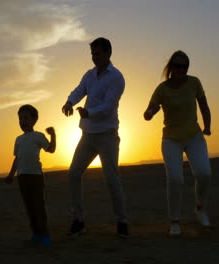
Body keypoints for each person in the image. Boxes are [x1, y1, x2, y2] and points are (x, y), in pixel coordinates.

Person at [61, 37, 129, 238]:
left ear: (108, 53)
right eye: (92, 53)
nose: (94, 57)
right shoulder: (89, 75)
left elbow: (109, 105)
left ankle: (122, 221)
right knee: (73, 174)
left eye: (97, 53)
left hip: (107, 135)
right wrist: (69, 102)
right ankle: (78, 220)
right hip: (88, 135)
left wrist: (89, 113)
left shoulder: (116, 78)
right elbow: (79, 90)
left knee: (112, 179)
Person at [143, 50, 212, 236]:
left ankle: (200, 208)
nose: (181, 70)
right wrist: (151, 112)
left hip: (194, 136)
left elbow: (204, 106)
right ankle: (174, 221)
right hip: (171, 140)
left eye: (185, 66)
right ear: (171, 67)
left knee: (204, 173)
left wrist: (207, 126)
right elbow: (147, 114)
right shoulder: (162, 89)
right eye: (177, 66)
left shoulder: (194, 82)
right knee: (175, 179)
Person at [4, 104, 56, 246]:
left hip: (36, 177)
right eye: (20, 119)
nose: (23, 121)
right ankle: (36, 234)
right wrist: (10, 175)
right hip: (22, 177)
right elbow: (17, 158)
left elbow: (51, 149)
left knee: (39, 206)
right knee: (29, 207)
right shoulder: (18, 139)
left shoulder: (38, 136)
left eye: (26, 118)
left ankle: (45, 234)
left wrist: (53, 135)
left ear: (34, 120)